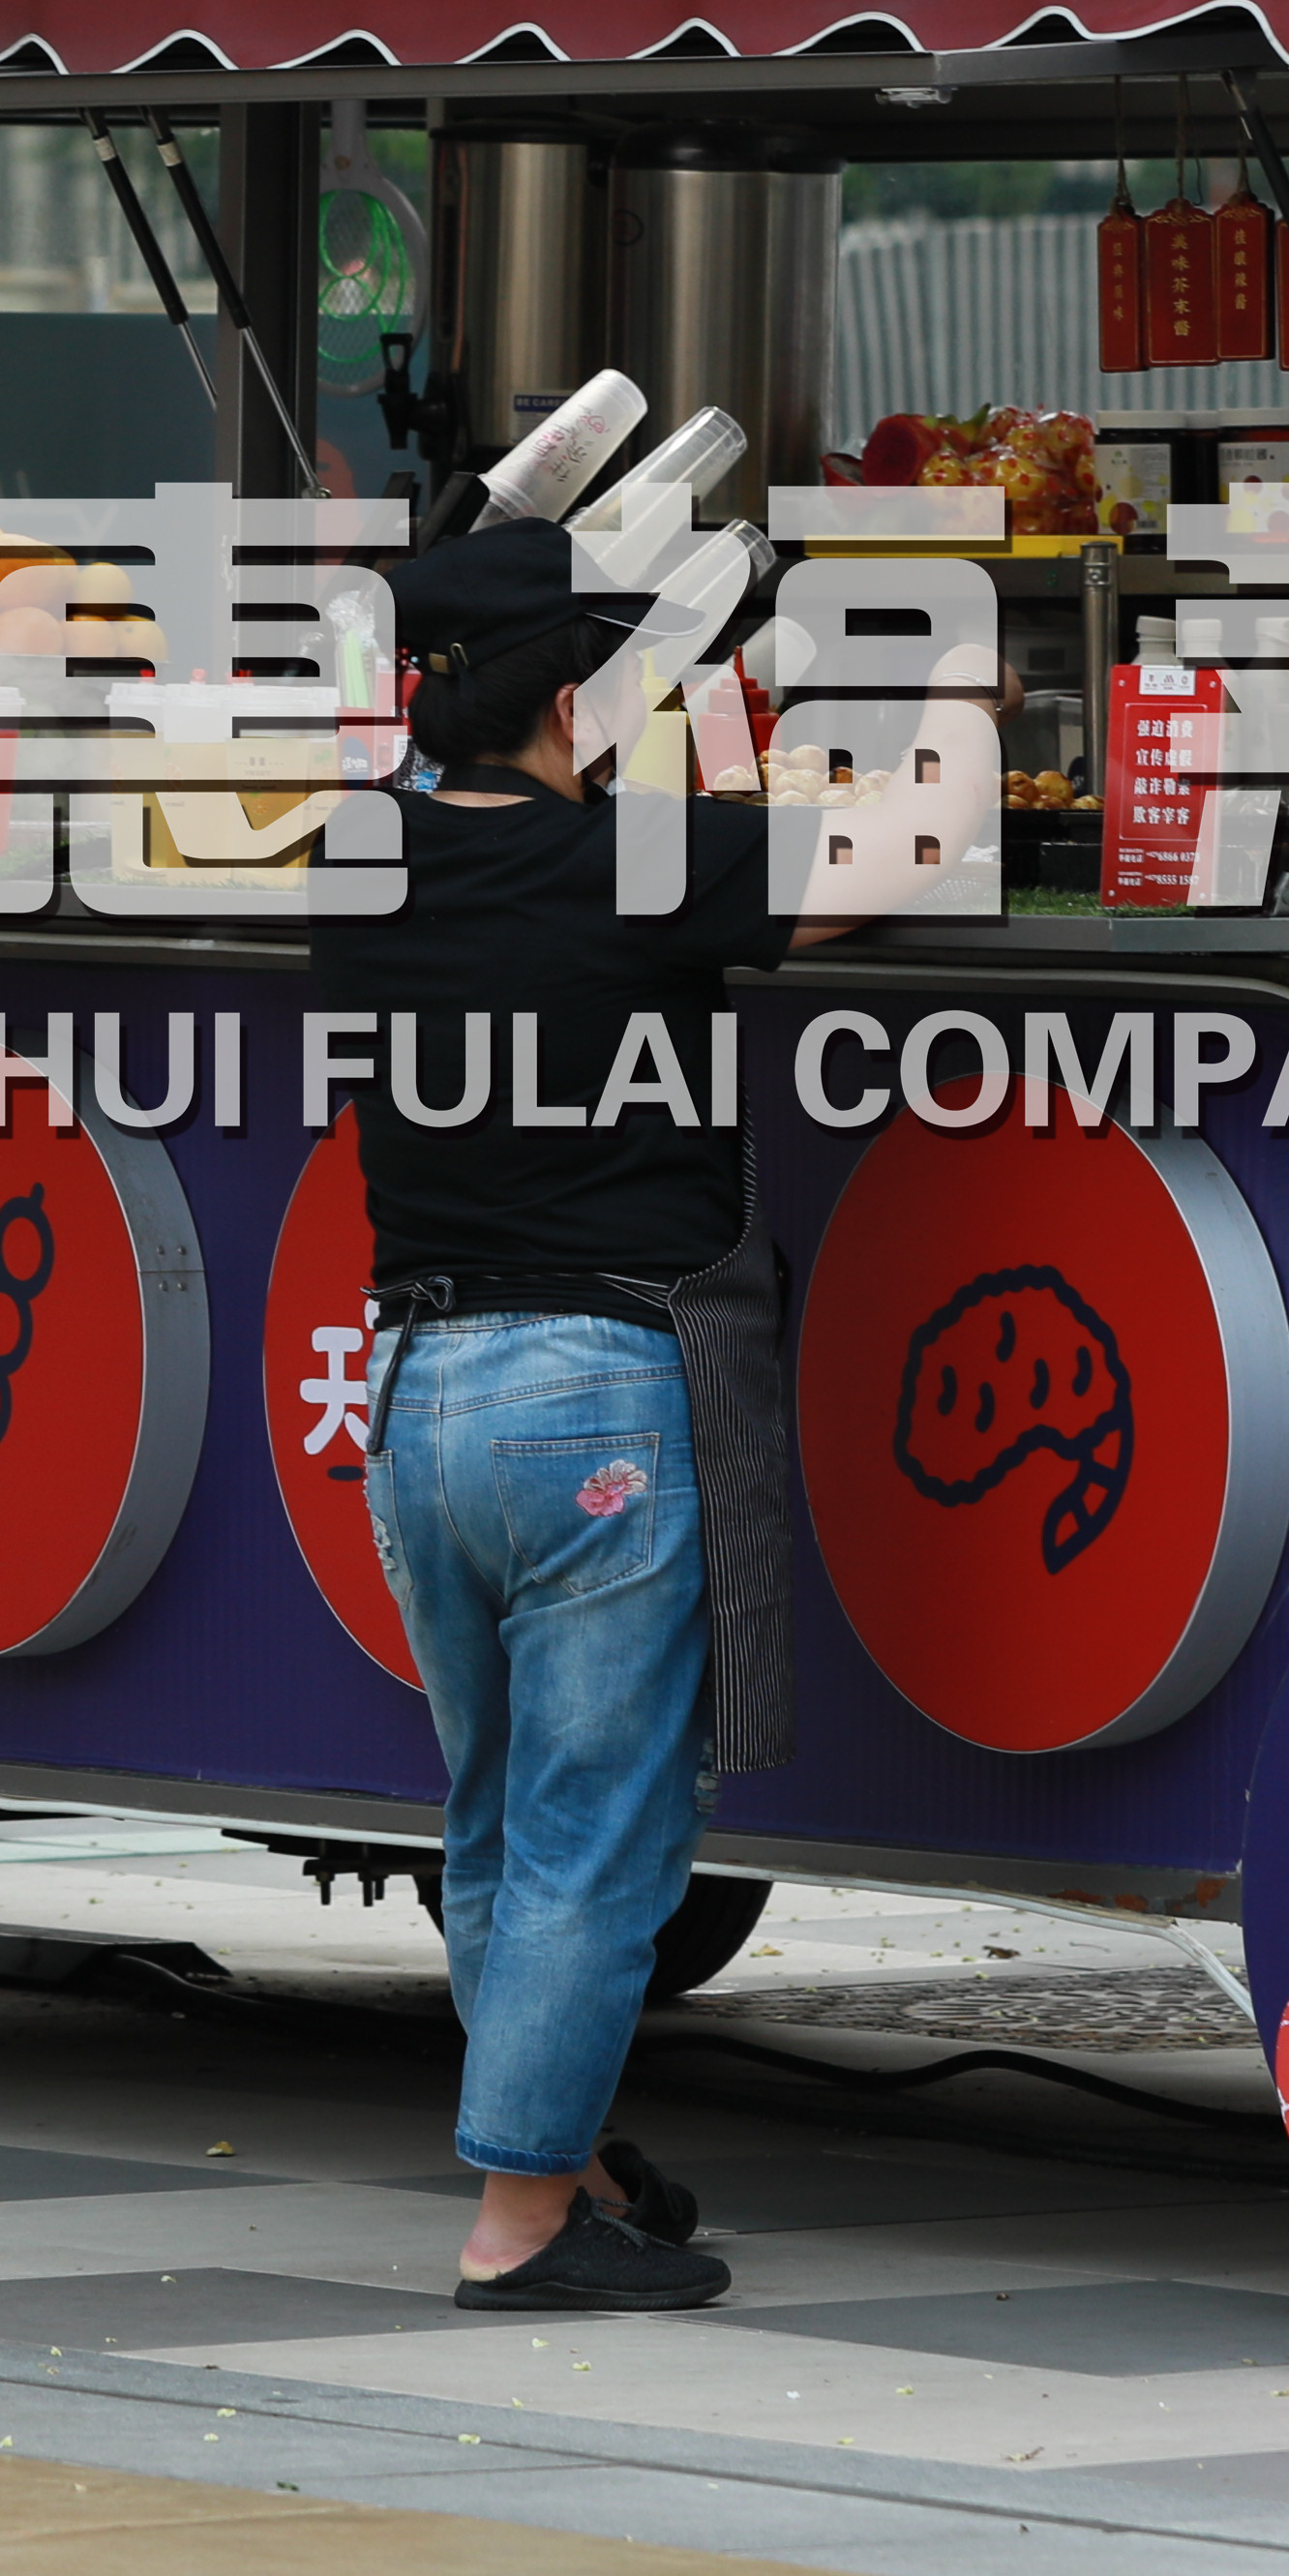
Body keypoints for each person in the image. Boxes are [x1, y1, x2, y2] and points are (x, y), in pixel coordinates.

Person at [316, 511, 891, 2311]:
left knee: (495, 1822)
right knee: (598, 1836)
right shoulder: (639, 861)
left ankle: (551, 2149)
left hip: (419, 1394)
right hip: (599, 1400)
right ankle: (520, 2226)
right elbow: (885, 857)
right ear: (570, 697)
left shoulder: (359, 865)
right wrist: (945, 709)